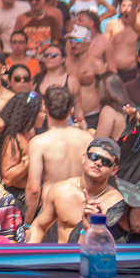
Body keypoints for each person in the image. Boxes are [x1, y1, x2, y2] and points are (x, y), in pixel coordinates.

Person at [26, 138, 123, 243]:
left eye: (106, 162)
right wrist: (28, 251)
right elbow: (39, 227)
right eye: (93, 157)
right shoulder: (61, 190)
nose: (98, 163)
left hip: (92, 253)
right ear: (84, 158)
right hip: (63, 253)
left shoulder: (116, 203)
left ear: (114, 170)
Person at [23, 87, 91, 226]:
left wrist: (27, 223)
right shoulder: (88, 138)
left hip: (52, 211)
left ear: (45, 109)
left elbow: (33, 190)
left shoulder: (39, 142)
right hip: (81, 209)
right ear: (71, 111)